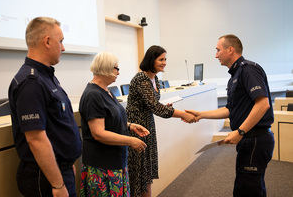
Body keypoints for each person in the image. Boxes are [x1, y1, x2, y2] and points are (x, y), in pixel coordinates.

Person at [186, 34, 275, 197]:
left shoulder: (248, 69)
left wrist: (240, 131)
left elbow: (263, 104)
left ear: (230, 49)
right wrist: (201, 115)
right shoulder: (234, 76)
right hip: (247, 140)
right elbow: (230, 109)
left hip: (256, 139)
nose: (216, 55)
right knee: (243, 188)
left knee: (250, 189)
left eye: (218, 50)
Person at [8, 17, 82, 197]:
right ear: (47, 41)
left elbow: (57, 125)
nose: (63, 48)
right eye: (61, 41)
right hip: (45, 179)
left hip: (58, 170)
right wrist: (57, 184)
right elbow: (36, 140)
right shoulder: (31, 82)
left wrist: (66, 163)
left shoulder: (46, 76)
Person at [126, 45, 197, 197]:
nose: (164, 62)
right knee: (139, 171)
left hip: (147, 124)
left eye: (165, 59)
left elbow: (153, 105)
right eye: (161, 59)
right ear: (151, 59)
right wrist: (183, 115)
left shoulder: (155, 78)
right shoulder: (141, 78)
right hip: (137, 127)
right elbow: (156, 108)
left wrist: (164, 107)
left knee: (146, 171)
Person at [78, 52, 150, 197]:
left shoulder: (106, 91)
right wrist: (130, 140)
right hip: (102, 166)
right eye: (116, 68)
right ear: (106, 68)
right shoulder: (93, 95)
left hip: (115, 161)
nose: (118, 72)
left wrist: (130, 126)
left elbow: (111, 119)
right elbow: (99, 133)